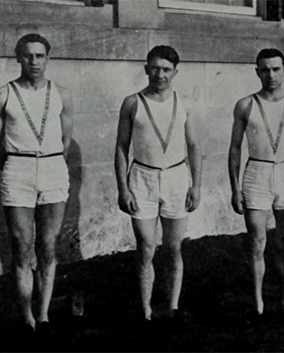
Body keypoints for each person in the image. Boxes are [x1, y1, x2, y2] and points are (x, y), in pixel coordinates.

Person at [0, 33, 73, 339]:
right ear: (18, 58)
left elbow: (65, 141)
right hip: (18, 170)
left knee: (48, 246)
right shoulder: (2, 94)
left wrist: (47, 161)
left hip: (52, 168)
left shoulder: (61, 93)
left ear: (48, 58)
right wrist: (16, 165)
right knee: (21, 247)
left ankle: (44, 313)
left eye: (40, 56)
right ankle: (26, 317)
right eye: (28, 56)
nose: (34, 62)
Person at [114, 45, 202, 326]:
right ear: (146, 69)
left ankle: (173, 307)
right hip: (143, 179)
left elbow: (193, 146)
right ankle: (145, 311)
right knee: (146, 246)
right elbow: (120, 148)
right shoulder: (132, 102)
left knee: (174, 247)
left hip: (177, 178)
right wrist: (123, 189)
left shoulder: (183, 102)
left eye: (166, 69)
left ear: (175, 72)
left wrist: (196, 186)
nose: (160, 74)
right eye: (155, 68)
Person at [228, 48, 284, 325]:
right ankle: (257, 307)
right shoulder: (245, 105)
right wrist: (234, 188)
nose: (271, 75)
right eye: (265, 69)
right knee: (257, 242)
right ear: (257, 72)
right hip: (256, 172)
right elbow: (234, 148)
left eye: (276, 69)